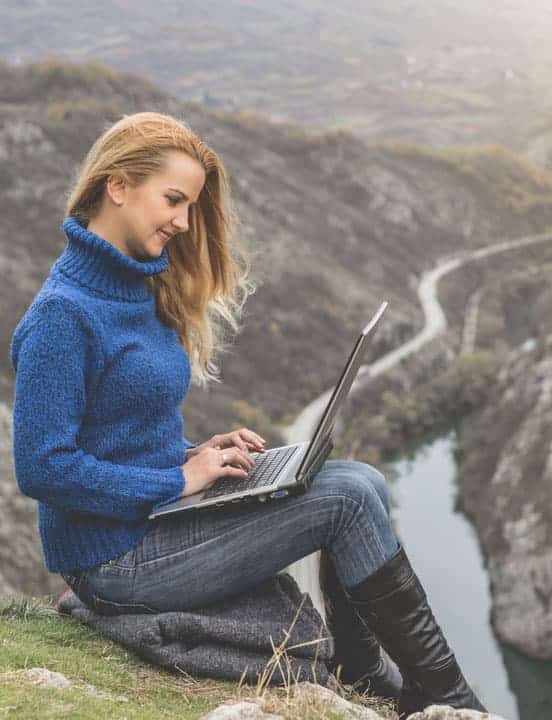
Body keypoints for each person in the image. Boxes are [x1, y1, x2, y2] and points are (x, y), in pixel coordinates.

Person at [10, 111, 486, 717]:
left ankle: (374, 674)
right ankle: (441, 693)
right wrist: (179, 480)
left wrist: (200, 454)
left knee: (360, 479)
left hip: (151, 521)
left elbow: (119, 433)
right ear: (118, 185)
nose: (183, 223)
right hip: (114, 561)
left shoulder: (132, 290)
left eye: (189, 206)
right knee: (347, 499)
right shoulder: (63, 315)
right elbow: (43, 468)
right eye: (174, 200)